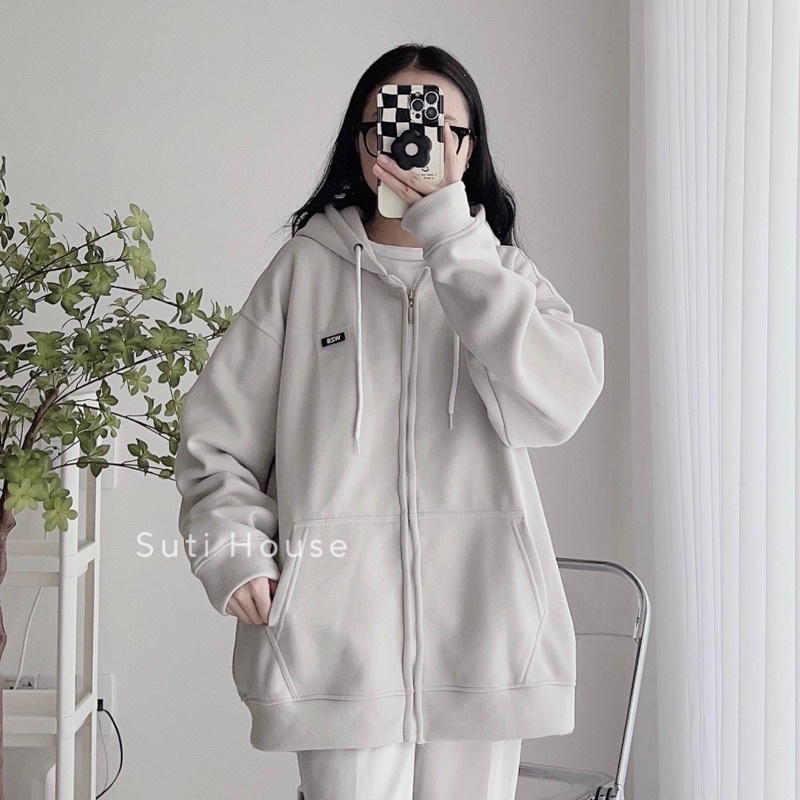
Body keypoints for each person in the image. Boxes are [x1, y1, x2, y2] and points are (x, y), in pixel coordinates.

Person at [174, 42, 605, 800]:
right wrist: (234, 551)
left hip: (483, 640)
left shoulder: (501, 276)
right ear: (363, 142)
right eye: (393, 124)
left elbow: (560, 402)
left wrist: (456, 247)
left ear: (467, 149)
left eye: (438, 127)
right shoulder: (305, 272)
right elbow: (215, 440)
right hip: (337, 651)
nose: (413, 143)